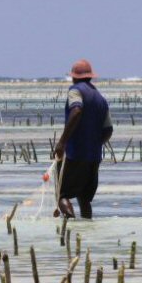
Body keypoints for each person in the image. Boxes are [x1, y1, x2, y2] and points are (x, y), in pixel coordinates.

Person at [52, 59, 113, 219]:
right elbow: (108, 130)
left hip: (75, 154)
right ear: (90, 76)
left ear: (74, 77)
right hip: (94, 157)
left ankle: (71, 226)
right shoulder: (100, 98)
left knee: (61, 194)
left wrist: (62, 142)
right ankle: (86, 229)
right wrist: (94, 144)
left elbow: (77, 110)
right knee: (84, 198)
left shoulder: (75, 91)